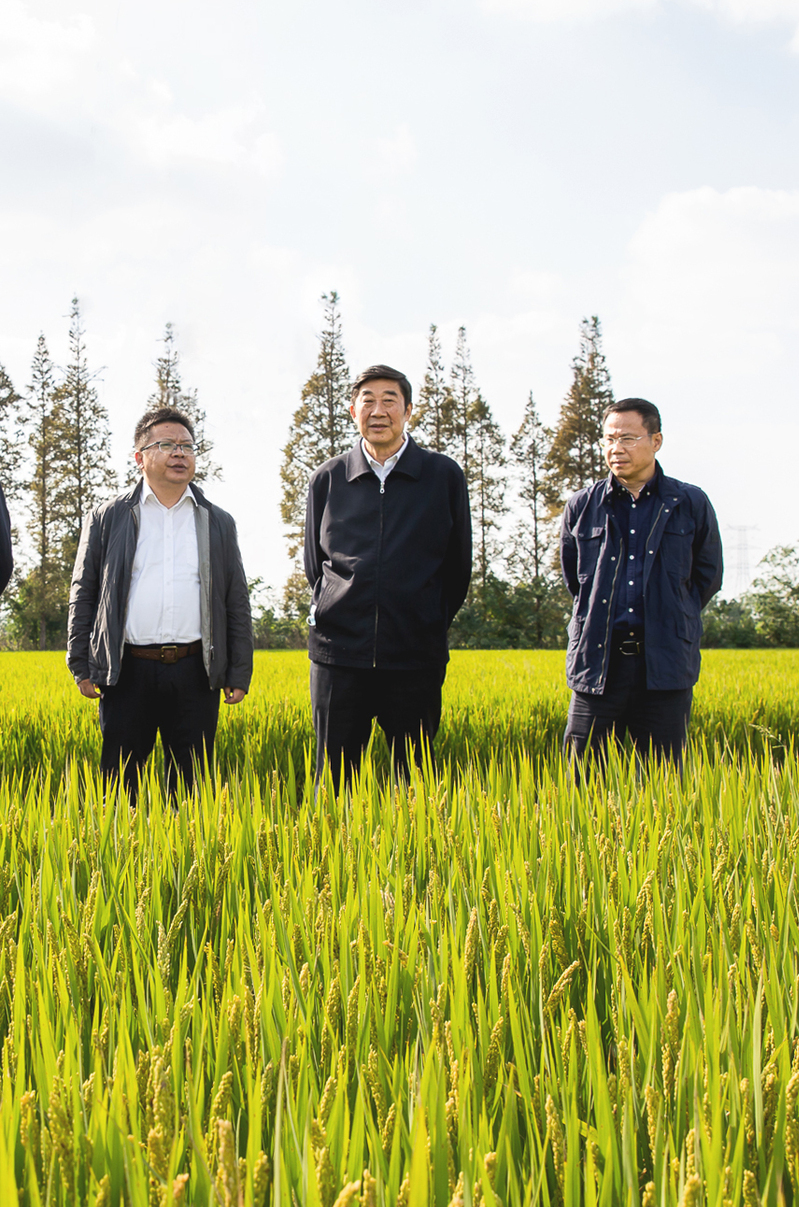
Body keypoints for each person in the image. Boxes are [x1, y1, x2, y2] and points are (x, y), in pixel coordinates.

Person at [67, 407, 253, 800]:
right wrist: (81, 662)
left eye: (187, 446)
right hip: (127, 670)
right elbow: (84, 592)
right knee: (119, 789)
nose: (180, 453)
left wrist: (238, 670)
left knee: (191, 790)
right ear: (140, 457)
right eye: (167, 445)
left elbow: (235, 599)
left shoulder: (218, 521)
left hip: (195, 671)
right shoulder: (108, 517)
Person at [304, 364, 471, 788]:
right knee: (334, 782)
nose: (378, 411)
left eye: (389, 400)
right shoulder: (328, 478)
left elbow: (458, 568)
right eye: (368, 401)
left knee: (414, 782)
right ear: (353, 411)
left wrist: (425, 619)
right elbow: (315, 565)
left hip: (415, 656)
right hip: (339, 657)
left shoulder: (442, 475)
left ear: (408, 410)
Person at [560, 397, 722, 765]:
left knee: (662, 781)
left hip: (664, 664)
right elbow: (577, 582)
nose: (616, 449)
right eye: (609, 439)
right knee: (582, 778)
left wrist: (673, 613)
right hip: (598, 661)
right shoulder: (582, 506)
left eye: (628, 439)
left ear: (656, 441)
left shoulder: (689, 503)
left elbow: (707, 577)